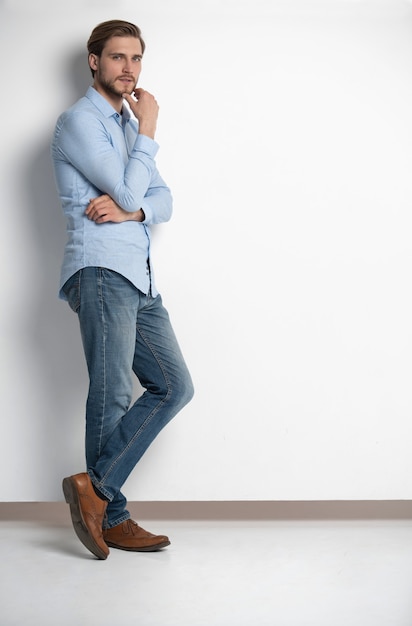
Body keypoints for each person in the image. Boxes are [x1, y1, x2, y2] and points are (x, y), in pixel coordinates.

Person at [51, 19, 194, 560]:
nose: (128, 69)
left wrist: (133, 208)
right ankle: (112, 516)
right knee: (112, 394)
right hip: (102, 271)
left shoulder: (129, 131)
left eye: (136, 59)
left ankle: (96, 490)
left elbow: (162, 201)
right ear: (94, 61)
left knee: (173, 386)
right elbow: (135, 185)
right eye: (117, 58)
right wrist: (152, 128)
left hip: (140, 277)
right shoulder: (80, 122)